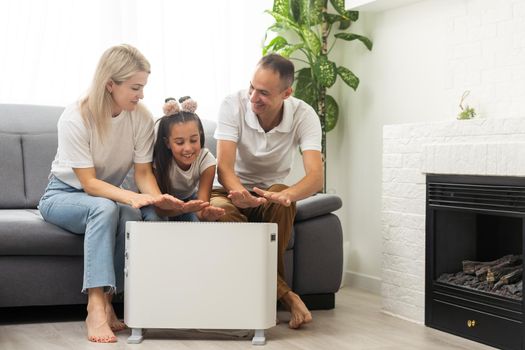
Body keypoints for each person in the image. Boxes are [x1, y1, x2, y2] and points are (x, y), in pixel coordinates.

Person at [38, 44, 193, 343]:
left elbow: (143, 173)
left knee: (129, 211)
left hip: (107, 194)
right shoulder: (76, 117)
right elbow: (90, 184)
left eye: (143, 86)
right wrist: (132, 197)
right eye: (135, 87)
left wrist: (157, 200)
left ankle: (113, 302)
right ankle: (95, 307)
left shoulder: (141, 117)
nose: (142, 95)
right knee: (107, 208)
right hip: (63, 194)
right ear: (110, 84)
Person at [211, 53, 323, 329]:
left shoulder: (304, 115)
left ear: (287, 93)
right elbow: (224, 168)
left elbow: (315, 177)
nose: (253, 97)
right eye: (251, 87)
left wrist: (287, 195)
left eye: (263, 93)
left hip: (269, 193)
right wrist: (240, 195)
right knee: (219, 212)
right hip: (227, 190)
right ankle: (285, 297)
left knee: (284, 198)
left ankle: (260, 297)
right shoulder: (231, 104)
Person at [152, 96, 225, 221]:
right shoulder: (159, 160)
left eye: (193, 140)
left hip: (188, 198)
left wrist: (205, 214)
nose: (188, 148)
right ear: (167, 143)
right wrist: (182, 209)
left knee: (194, 221)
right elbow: (160, 209)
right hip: (158, 203)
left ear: (200, 136)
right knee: (155, 220)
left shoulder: (207, 161)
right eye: (180, 142)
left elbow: (201, 206)